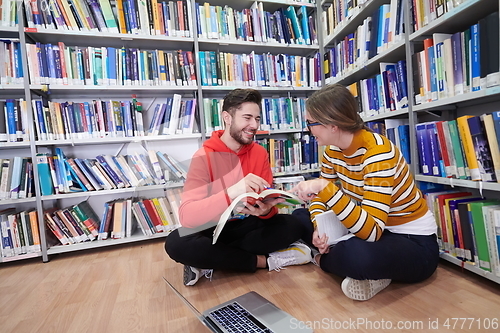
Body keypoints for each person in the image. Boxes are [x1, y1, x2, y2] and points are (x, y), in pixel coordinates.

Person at [291, 84, 439, 301]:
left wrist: (324, 188)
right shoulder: (332, 151)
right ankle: (339, 258)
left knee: (356, 255)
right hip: (369, 226)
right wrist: (319, 230)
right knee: (299, 218)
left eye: (310, 123)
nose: (308, 130)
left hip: (412, 241)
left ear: (332, 125)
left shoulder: (377, 153)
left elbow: (372, 232)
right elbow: (320, 200)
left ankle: (322, 259)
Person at [165, 88, 312, 286]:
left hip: (247, 224)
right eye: (247, 118)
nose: (254, 125)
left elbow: (268, 203)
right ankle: (263, 261)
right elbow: (187, 217)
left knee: (294, 224)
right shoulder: (203, 157)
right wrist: (231, 192)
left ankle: (209, 260)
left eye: (257, 119)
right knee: (176, 242)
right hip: (213, 227)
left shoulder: (259, 153)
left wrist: (266, 211)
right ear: (227, 117)